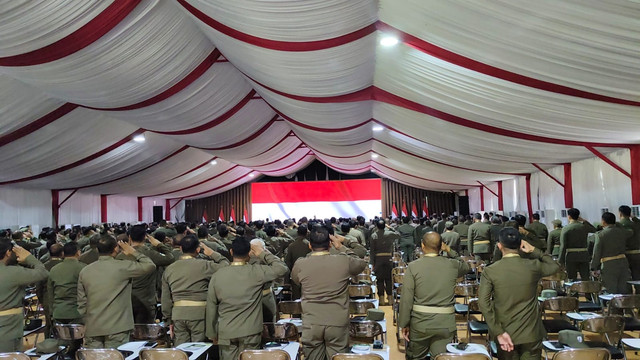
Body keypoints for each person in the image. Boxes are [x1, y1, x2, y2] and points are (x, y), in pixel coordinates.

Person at [478, 227, 560, 360]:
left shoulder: (491, 271)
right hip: (532, 332)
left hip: (505, 332)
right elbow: (554, 266)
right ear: (521, 244)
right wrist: (534, 251)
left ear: (499, 246)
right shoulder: (533, 265)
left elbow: (483, 302)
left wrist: (498, 332)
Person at [291, 225, 367, 360]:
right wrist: (342, 246)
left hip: (311, 322)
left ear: (310, 245)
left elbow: (297, 281)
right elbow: (361, 263)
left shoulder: (300, 264)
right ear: (330, 244)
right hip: (337, 321)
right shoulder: (343, 260)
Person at [206, 237, 288, 360]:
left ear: (231, 252)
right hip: (251, 331)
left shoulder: (218, 275)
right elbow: (282, 268)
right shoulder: (256, 272)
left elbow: (211, 306)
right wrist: (263, 254)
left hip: (226, 331)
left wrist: (211, 333)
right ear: (249, 254)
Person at [78, 234, 156, 349]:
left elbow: (81, 303)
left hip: (93, 326)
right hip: (118, 326)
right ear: (116, 248)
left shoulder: (85, 271)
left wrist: (88, 321)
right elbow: (150, 265)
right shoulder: (122, 267)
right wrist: (133, 251)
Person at [398, 232, 469, 358]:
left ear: (422, 245)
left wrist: (404, 323)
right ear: (441, 246)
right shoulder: (452, 265)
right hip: (445, 323)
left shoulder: (413, 266)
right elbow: (466, 266)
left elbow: (406, 299)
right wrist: (449, 250)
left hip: (420, 323)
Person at [162, 235, 229, 345]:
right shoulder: (204, 265)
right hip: (200, 314)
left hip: (178, 314)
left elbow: (166, 299)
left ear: (181, 249)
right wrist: (212, 253)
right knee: (198, 350)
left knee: (181, 351)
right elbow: (226, 266)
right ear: (198, 250)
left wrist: (168, 319)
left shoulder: (169, 269)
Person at [116, 225, 175, 323]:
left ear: (129, 237)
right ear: (145, 237)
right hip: (147, 301)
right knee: (146, 333)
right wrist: (159, 245)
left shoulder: (121, 256)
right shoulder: (150, 254)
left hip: (126, 301)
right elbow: (170, 258)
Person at [0, 240, 48, 352]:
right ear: (8, 253)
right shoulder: (13, 272)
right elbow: (43, 273)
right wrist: (29, 258)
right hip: (8, 327)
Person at [591, 212, 631, 294]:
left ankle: (612, 307)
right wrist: (616, 223)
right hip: (623, 262)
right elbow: (630, 232)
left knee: (610, 290)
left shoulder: (600, 235)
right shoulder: (622, 232)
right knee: (623, 289)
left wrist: (594, 267)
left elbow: (597, 252)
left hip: (608, 264)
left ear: (603, 222)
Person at [48, 242, 86, 324]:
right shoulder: (84, 268)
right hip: (77, 313)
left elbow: (50, 294)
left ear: (63, 253)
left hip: (58, 312)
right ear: (78, 252)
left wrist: (51, 312)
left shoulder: (54, 269)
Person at [559, 208, 596, 281]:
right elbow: (594, 229)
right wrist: (584, 221)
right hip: (584, 254)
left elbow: (563, 246)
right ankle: (587, 292)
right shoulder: (584, 226)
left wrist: (561, 261)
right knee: (586, 277)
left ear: (569, 216)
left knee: (572, 278)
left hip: (571, 256)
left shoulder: (566, 229)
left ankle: (574, 292)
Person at [370, 219, 399, 306]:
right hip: (388, 258)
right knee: (389, 279)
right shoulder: (390, 234)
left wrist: (372, 263)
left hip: (378, 259)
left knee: (380, 279)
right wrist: (390, 228)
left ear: (377, 226)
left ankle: (381, 299)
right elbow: (398, 235)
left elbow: (372, 251)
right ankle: (390, 298)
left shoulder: (373, 235)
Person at [284, 224, 311, 300]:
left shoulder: (291, 246)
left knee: (296, 298)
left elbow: (288, 262)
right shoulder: (309, 245)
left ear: (297, 233)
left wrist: (287, 280)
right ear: (307, 233)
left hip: (295, 275)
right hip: (308, 274)